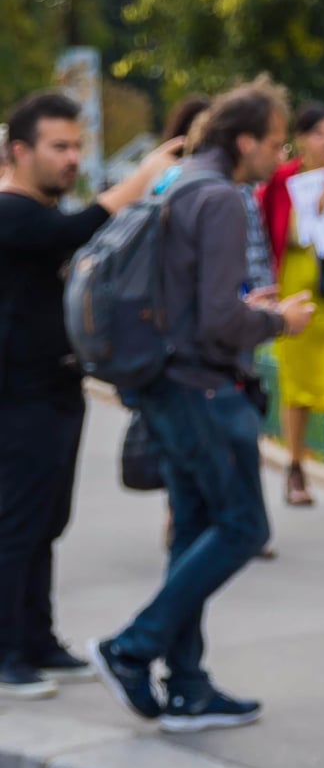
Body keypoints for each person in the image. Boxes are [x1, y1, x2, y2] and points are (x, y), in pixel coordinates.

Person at [91, 85, 314, 731]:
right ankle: (132, 649)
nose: (281, 155)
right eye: (276, 143)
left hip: (169, 380)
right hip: (203, 386)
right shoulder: (218, 197)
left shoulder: (182, 183)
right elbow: (220, 318)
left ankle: (187, 686)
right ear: (244, 141)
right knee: (244, 528)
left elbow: (201, 299)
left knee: (193, 531)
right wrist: (278, 319)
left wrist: (247, 307)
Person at [0, 93, 183, 698]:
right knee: (19, 524)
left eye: (78, 146)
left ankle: (37, 640)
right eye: (60, 147)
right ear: (19, 152)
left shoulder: (37, 216)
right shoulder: (12, 212)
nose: (73, 159)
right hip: (19, 397)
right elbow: (77, 229)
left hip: (55, 389)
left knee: (46, 521)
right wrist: (144, 175)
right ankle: (7, 653)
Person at [262, 103, 324, 508]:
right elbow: (288, 236)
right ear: (301, 138)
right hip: (299, 292)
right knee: (297, 386)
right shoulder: (284, 179)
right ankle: (296, 466)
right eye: (320, 133)